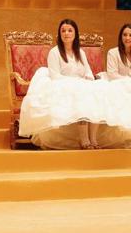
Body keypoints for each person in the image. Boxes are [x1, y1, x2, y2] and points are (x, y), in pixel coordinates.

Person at [19, 19, 131, 149]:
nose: (66, 33)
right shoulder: (54, 52)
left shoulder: (80, 52)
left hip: (80, 84)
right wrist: (76, 82)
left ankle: (93, 139)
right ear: (60, 34)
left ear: (75, 34)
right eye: (63, 31)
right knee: (80, 94)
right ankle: (84, 140)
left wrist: (87, 80)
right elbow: (55, 76)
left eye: (70, 30)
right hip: (62, 84)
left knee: (99, 90)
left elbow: (88, 72)